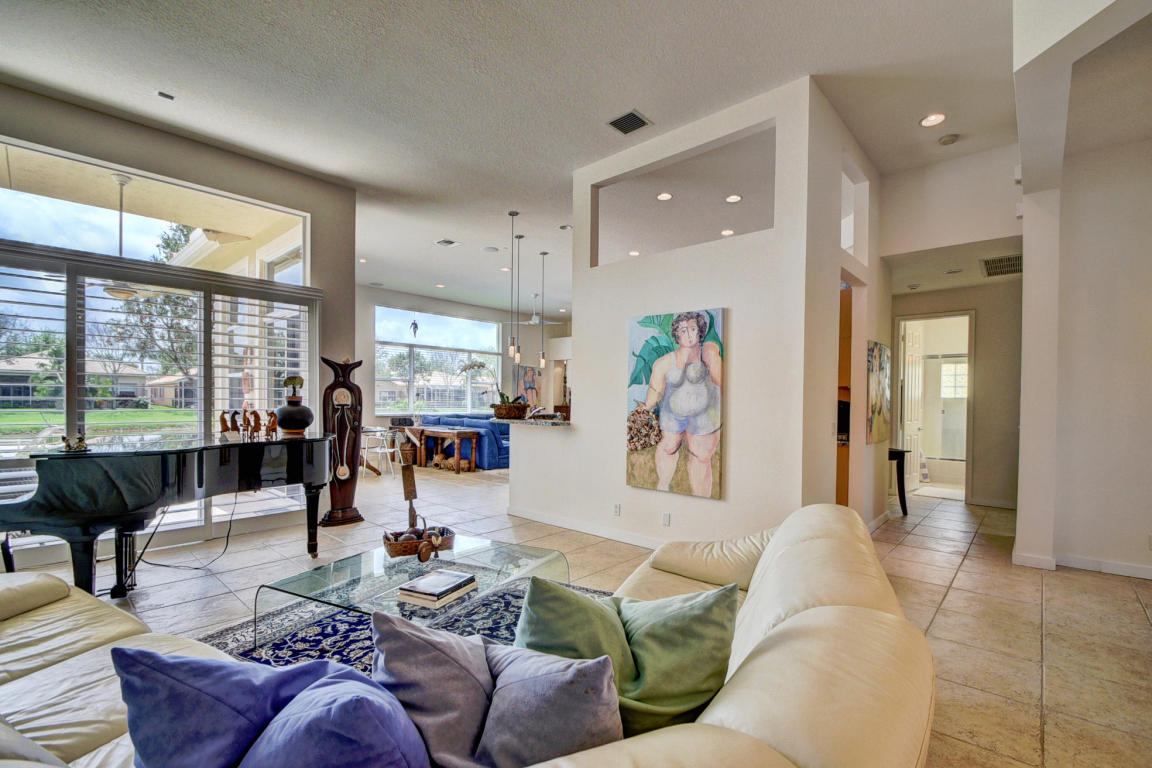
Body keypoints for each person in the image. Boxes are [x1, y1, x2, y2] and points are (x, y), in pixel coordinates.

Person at [642, 311, 722, 496]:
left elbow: (722, 384)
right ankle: (663, 486)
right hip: (673, 413)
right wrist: (644, 410)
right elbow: (655, 390)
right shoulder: (664, 362)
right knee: (668, 447)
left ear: (700, 331)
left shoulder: (709, 354)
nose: (689, 334)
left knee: (701, 455)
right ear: (677, 334)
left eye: (693, 329)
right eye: (683, 330)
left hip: (704, 415)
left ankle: (702, 498)